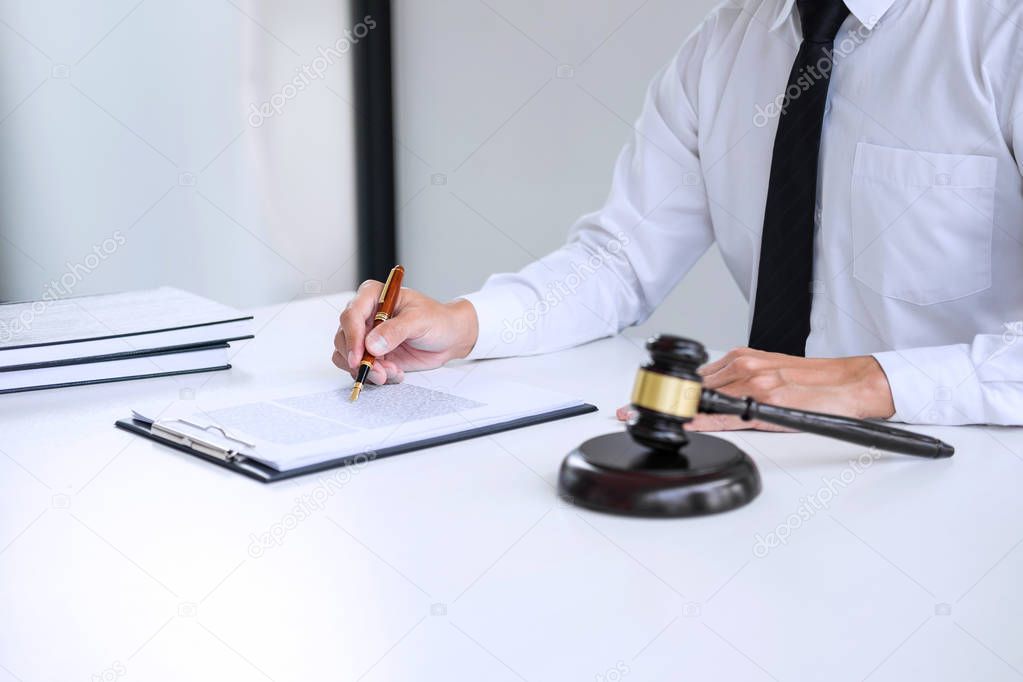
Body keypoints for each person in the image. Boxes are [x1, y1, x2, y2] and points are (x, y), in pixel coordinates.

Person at [334, 0, 1023, 430]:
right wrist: (466, 323)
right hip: (765, 461)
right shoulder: (725, 44)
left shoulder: (1002, 36)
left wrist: (873, 382)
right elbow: (619, 262)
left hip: (969, 472)